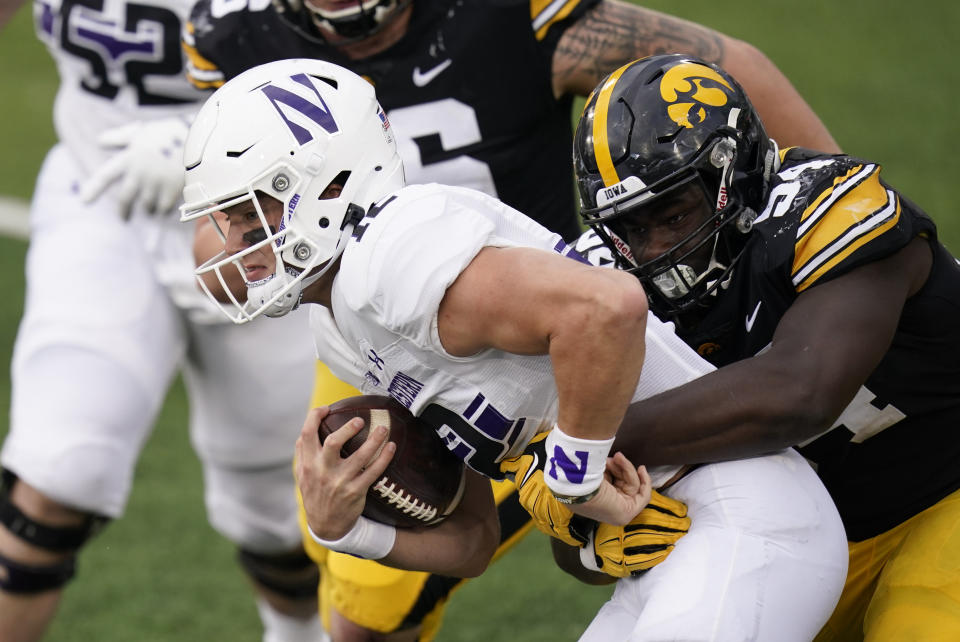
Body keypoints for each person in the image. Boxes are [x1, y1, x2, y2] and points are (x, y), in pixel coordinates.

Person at [181, 1, 842, 638]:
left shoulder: (393, 252)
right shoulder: (341, 322)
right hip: (669, 539)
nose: (228, 243)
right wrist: (346, 529)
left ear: (330, 185)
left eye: (250, 211)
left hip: (743, 508)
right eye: (226, 218)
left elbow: (607, 306)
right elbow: (473, 539)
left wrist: (576, 475)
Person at [568, 53, 960, 640]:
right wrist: (589, 525)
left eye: (674, 214)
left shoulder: (830, 208)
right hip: (811, 536)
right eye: (630, 229)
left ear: (738, 171)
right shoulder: (600, 285)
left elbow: (800, 392)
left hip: (946, 492)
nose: (652, 251)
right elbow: (580, 559)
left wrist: (587, 445)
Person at [0, 0, 324, 640]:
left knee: (279, 515)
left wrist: (203, 135)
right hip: (101, 192)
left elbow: (366, 55)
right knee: (61, 466)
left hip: (268, 219)